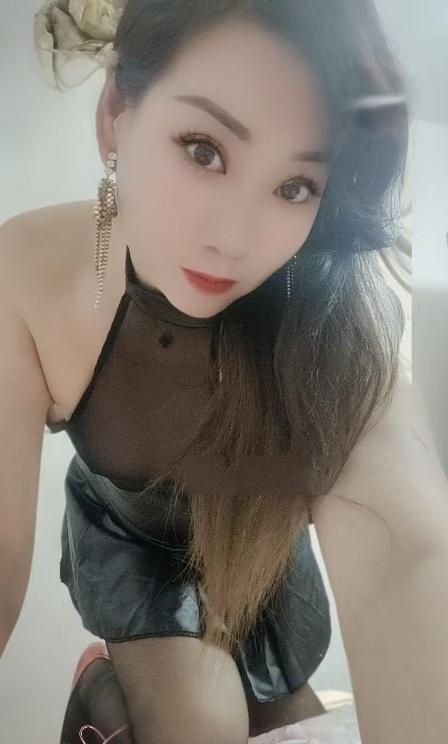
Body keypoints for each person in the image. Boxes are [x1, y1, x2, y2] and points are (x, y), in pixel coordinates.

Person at [8, 1, 409, 742]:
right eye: (203, 149)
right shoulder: (32, 272)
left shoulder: (331, 313)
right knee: (201, 720)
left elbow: (409, 550)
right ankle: (102, 685)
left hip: (252, 546)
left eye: (295, 186)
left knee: (294, 725)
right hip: (134, 541)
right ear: (116, 113)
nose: (234, 239)